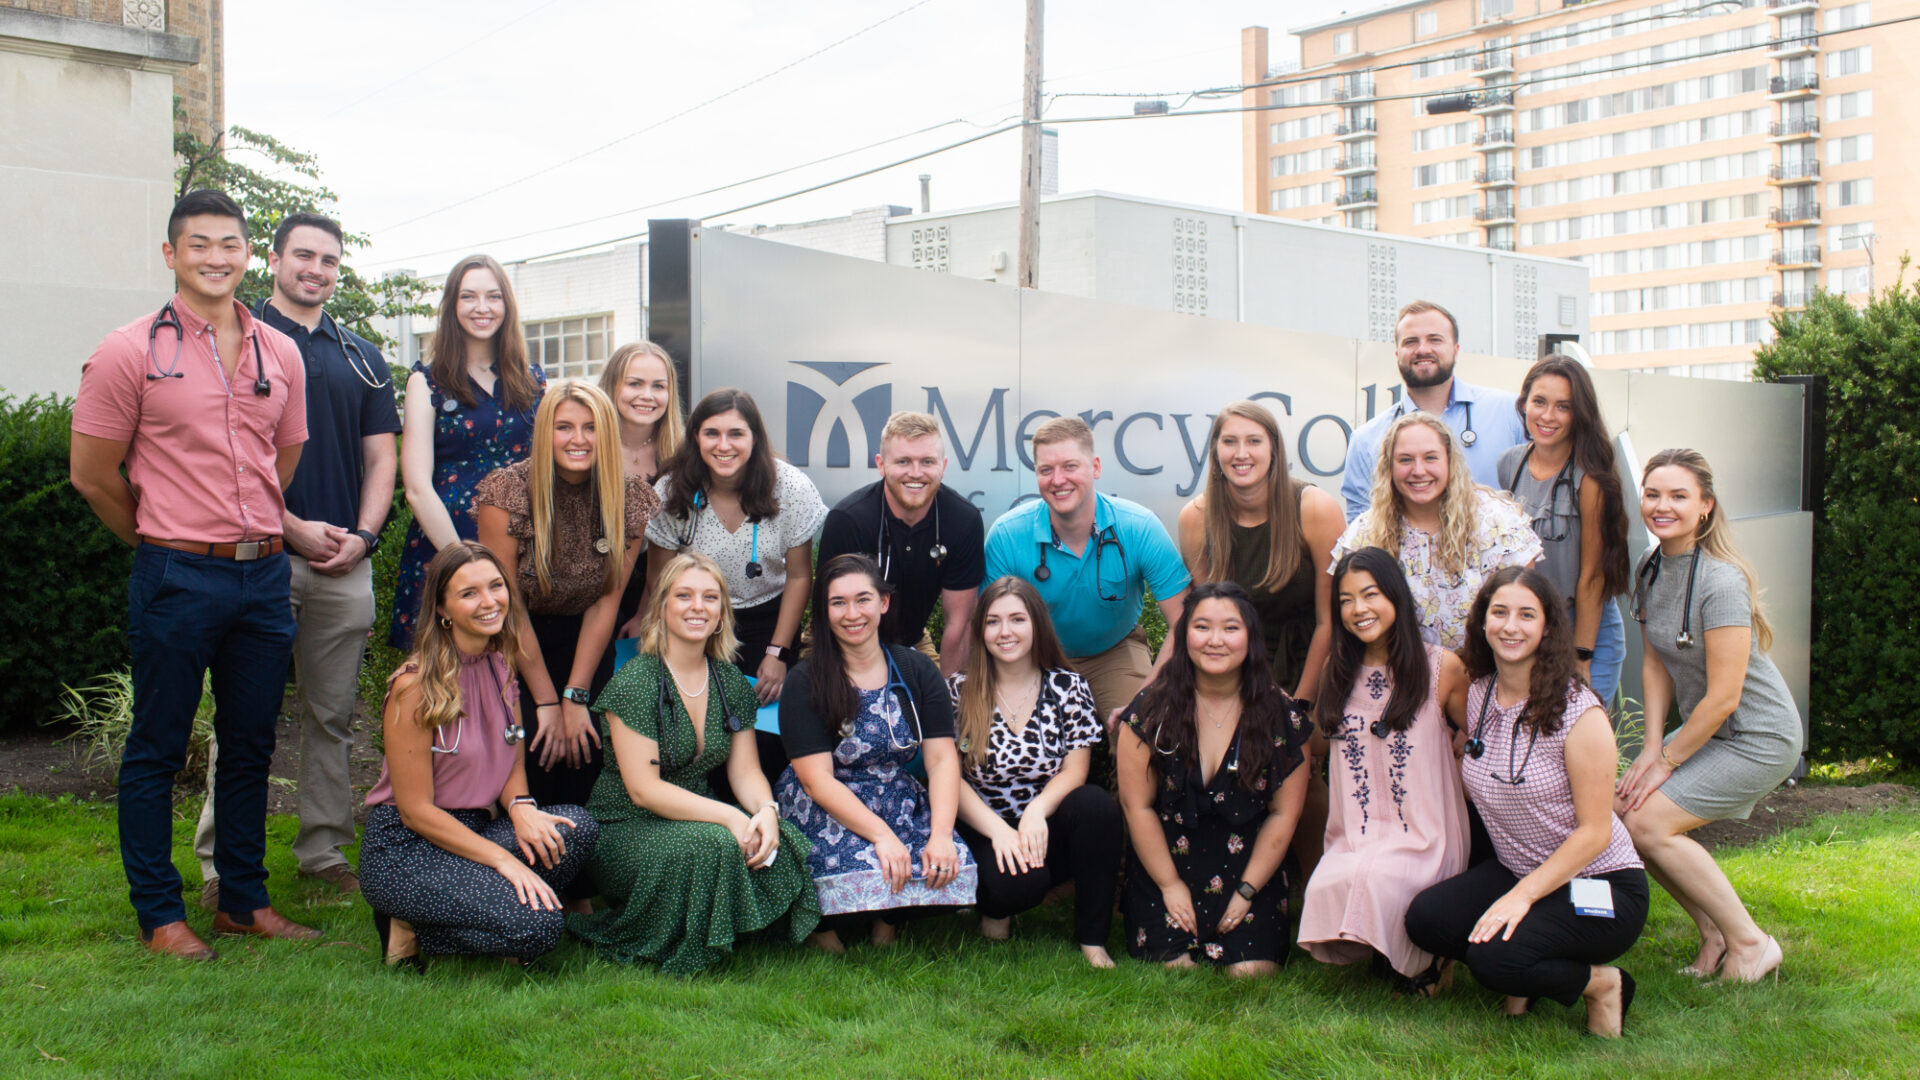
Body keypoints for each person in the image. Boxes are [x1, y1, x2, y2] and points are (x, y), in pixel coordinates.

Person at [68, 191, 319, 958]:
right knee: (158, 747)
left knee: (249, 747)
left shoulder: (281, 353)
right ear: (171, 255)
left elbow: (282, 460)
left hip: (264, 578)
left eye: (229, 244)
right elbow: (92, 473)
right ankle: (160, 915)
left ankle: (242, 902)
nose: (216, 257)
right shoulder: (128, 351)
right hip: (176, 575)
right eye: (199, 244)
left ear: (249, 255)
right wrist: (159, 535)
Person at [191, 211, 400, 908]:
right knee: (241, 716)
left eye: (329, 260)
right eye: (303, 255)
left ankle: (322, 853)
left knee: (332, 717)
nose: (316, 269)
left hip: (345, 562)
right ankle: (221, 864)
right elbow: (222, 457)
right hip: (257, 559)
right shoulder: (234, 340)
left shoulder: (362, 357)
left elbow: (382, 458)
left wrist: (363, 536)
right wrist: (291, 529)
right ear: (273, 260)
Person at [1406, 567, 1646, 1037]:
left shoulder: (1580, 713)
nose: (1510, 626)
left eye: (1526, 615)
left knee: (1492, 960)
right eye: (1499, 612)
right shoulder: (1479, 696)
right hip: (1519, 868)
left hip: (1601, 886)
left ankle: (1603, 985)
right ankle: (1529, 968)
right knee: (1426, 919)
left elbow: (1595, 833)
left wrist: (1521, 898)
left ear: (1548, 628)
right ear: (1483, 622)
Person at [569, 552, 820, 973]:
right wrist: (731, 817)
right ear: (661, 607)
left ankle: (741, 926)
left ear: (722, 613)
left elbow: (746, 771)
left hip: (698, 818)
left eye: (709, 597)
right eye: (683, 596)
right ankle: (686, 936)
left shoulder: (729, 681)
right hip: (627, 826)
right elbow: (643, 790)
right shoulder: (636, 681)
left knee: (785, 839)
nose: (697, 607)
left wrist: (765, 811)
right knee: (715, 844)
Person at [359, 542, 598, 965]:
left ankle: (458, 908)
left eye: (495, 586)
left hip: (475, 829)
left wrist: (521, 808)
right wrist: (504, 861)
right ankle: (405, 924)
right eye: (469, 593)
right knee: (539, 928)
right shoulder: (414, 687)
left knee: (576, 828)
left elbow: (512, 755)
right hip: (407, 847)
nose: (489, 602)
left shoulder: (501, 664)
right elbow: (414, 811)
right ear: (442, 609)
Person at [1617, 449, 1801, 984]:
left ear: (1705, 506)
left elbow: (1723, 697)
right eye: (1653, 494)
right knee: (1628, 814)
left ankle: (1751, 944)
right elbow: (1656, 661)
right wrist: (1651, 747)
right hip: (1710, 731)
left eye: (1679, 496)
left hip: (1757, 735)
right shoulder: (1651, 566)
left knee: (1649, 822)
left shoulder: (1721, 581)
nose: (1662, 506)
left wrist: (1667, 761)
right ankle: (1715, 934)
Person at [774, 555, 977, 950]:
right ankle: (823, 926)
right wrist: (883, 837)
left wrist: (940, 835)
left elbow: (941, 760)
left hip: (895, 795)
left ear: (883, 603)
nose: (852, 614)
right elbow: (816, 781)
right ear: (825, 611)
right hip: (825, 801)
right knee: (865, 865)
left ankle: (886, 918)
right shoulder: (806, 680)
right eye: (838, 603)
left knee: (946, 865)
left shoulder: (917, 670)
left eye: (863, 599)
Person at [1176, 400, 1343, 878]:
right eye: (1229, 441)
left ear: (1274, 449)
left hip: (1310, 658)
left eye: (1254, 441)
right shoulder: (1196, 517)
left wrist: (1302, 704)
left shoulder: (1314, 508)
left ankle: (1316, 886)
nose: (1241, 453)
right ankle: (1228, 879)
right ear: (1215, 450)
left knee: (1299, 764)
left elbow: (1331, 621)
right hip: (1235, 661)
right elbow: (1206, 620)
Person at [474, 382, 659, 809]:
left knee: (585, 753)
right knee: (536, 751)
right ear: (545, 432)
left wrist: (575, 696)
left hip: (587, 643)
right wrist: (545, 700)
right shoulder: (507, 491)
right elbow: (506, 603)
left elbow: (606, 601)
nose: (578, 439)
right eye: (564, 427)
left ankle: (586, 848)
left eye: (591, 427)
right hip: (516, 639)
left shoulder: (629, 497)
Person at [1297, 548, 1470, 994]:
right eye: (1346, 600)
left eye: (1370, 594)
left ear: (1395, 596)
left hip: (1425, 835)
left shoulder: (1441, 668)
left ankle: (1432, 960)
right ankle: (1389, 950)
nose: (1359, 609)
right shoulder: (1338, 670)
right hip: (1357, 834)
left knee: (1375, 877)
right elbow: (1322, 740)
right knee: (1336, 879)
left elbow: (1476, 733)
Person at [1117, 583, 1310, 975]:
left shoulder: (1282, 715)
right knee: (1175, 969)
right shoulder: (1149, 710)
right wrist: (1169, 885)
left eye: (1231, 628)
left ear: (1251, 637)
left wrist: (1247, 891)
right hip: (1167, 863)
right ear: (1184, 634)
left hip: (1246, 868)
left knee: (1250, 973)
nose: (1215, 640)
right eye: (1202, 627)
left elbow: (1284, 815)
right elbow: (1136, 807)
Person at [647, 388, 826, 786]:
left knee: (763, 736)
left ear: (755, 437)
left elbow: (800, 576)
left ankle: (763, 811)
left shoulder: (789, 487)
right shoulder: (673, 489)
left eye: (736, 434)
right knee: (700, 729)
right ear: (695, 436)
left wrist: (778, 653)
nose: (723, 445)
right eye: (712, 433)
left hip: (768, 619)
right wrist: (655, 631)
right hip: (696, 618)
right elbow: (659, 580)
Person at [949, 577, 1121, 967]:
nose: (1005, 632)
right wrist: (1000, 832)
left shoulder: (1068, 687)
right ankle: (995, 909)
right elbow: (949, 780)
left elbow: (1076, 770)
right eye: (993, 621)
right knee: (1013, 886)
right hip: (983, 825)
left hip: (1045, 822)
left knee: (1096, 807)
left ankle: (1093, 940)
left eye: (1017, 619)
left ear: (1037, 624)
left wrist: (1036, 812)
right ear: (980, 630)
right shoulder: (959, 690)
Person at [983, 415, 1191, 724]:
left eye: (1070, 466)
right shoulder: (1007, 535)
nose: (1058, 480)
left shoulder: (1140, 527)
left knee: (1138, 729)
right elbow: (988, 628)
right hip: (1034, 655)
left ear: (1095, 467)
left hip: (1115, 649)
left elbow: (1185, 622)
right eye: (1046, 470)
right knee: (1022, 738)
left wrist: (1144, 698)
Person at [390, 254, 545, 650]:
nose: (482, 307)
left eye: (493, 296)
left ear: (507, 305)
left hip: (522, 548)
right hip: (446, 545)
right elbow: (417, 488)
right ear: (452, 305)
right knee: (446, 676)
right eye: (468, 296)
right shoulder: (426, 382)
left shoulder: (534, 382)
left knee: (519, 668)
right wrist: (466, 564)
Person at [1331, 412, 1541, 652]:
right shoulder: (1364, 533)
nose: (1418, 470)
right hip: (1398, 670)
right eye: (1405, 460)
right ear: (1389, 466)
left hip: (1485, 668)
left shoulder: (1496, 522)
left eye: (1430, 458)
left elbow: (1522, 614)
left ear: (1450, 461)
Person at [1496, 356, 1631, 706]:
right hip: (1530, 628)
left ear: (1579, 413)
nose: (1547, 416)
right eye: (1539, 402)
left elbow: (1593, 576)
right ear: (1524, 403)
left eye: (1563, 406)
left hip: (1586, 630)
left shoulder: (1590, 476)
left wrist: (1581, 656)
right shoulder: (1510, 464)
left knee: (1579, 731)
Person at [816, 411, 986, 675]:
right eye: (903, 461)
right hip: (843, 639)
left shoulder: (964, 521)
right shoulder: (848, 520)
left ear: (943, 466)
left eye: (927, 462)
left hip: (912, 642)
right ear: (881, 465)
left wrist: (948, 691)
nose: (915, 473)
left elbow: (959, 623)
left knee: (938, 697)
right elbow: (830, 615)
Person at [1340, 300, 1529, 521]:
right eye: (1411, 342)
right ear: (1397, 353)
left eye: (1435, 339)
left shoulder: (1511, 413)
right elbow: (1362, 529)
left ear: (1456, 350)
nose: (1423, 350)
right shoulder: (1365, 441)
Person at [599, 341, 685, 642]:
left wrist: (646, 611)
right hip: (590, 585)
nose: (647, 395)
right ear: (612, 385)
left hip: (655, 590)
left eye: (658, 386)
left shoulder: (681, 456)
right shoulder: (587, 448)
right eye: (635, 383)